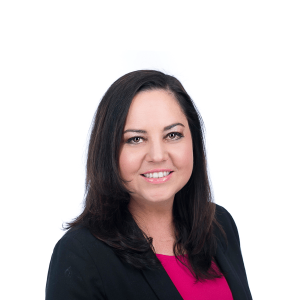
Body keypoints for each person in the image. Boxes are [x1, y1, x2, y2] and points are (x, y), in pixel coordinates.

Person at [46, 70, 252, 300]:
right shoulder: (80, 254)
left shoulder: (218, 224)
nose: (157, 155)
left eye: (173, 135)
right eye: (135, 139)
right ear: (109, 152)